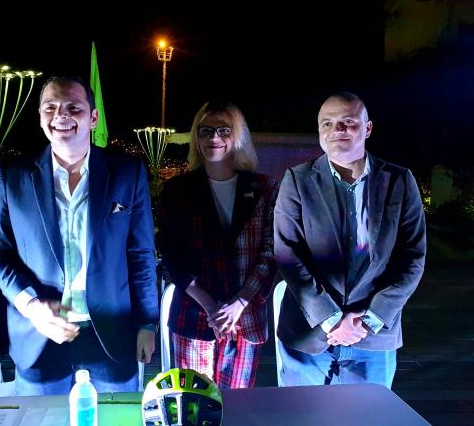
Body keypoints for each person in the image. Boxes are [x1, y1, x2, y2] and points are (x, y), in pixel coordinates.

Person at [0, 76, 159, 395]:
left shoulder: (127, 172)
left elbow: (141, 254)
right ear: (40, 117)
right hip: (39, 332)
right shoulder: (12, 175)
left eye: (73, 107)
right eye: (50, 107)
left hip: (110, 332)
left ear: (93, 118)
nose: (61, 115)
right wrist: (32, 306)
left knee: (116, 417)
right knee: (42, 418)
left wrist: (148, 323)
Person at [274, 92, 426, 388]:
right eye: (327, 123)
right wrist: (331, 318)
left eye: (348, 121)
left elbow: (412, 257)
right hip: (309, 334)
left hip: (375, 335)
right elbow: (287, 253)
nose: (337, 129)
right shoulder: (297, 180)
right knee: (302, 412)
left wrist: (370, 318)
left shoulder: (399, 180)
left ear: (367, 128)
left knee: (369, 413)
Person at [158, 101, 278, 388]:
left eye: (224, 130)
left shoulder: (264, 188)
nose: (214, 137)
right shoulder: (177, 190)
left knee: (238, 405)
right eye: (206, 130)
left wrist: (239, 303)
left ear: (239, 137)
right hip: (193, 316)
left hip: (245, 318)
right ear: (196, 138)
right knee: (193, 404)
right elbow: (171, 254)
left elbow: (271, 253)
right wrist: (211, 306)